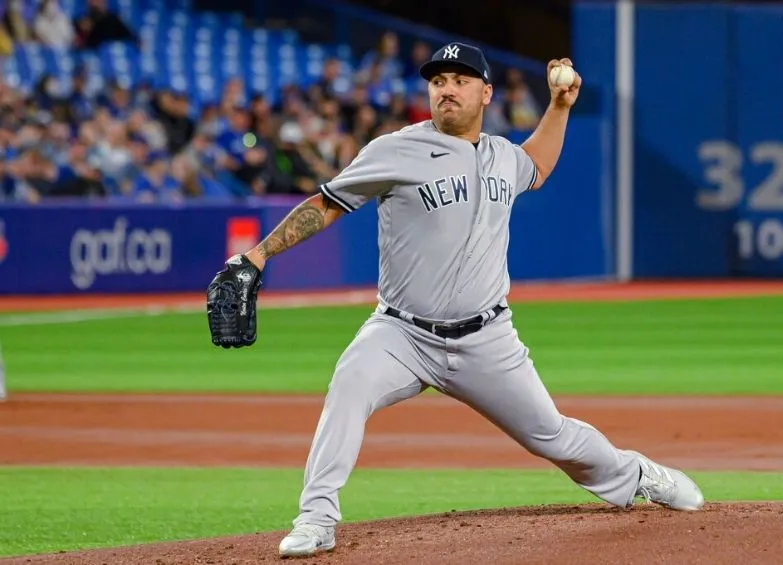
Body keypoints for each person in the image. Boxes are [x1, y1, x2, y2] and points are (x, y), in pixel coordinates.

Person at [205, 42, 704, 559]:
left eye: (461, 80)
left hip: (486, 339)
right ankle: (316, 518)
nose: (447, 88)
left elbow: (536, 165)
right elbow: (326, 204)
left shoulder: (501, 157)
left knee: (551, 435)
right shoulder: (395, 149)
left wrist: (559, 107)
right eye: (438, 80)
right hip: (401, 333)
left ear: (486, 93)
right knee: (349, 386)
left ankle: (637, 473)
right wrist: (259, 254)